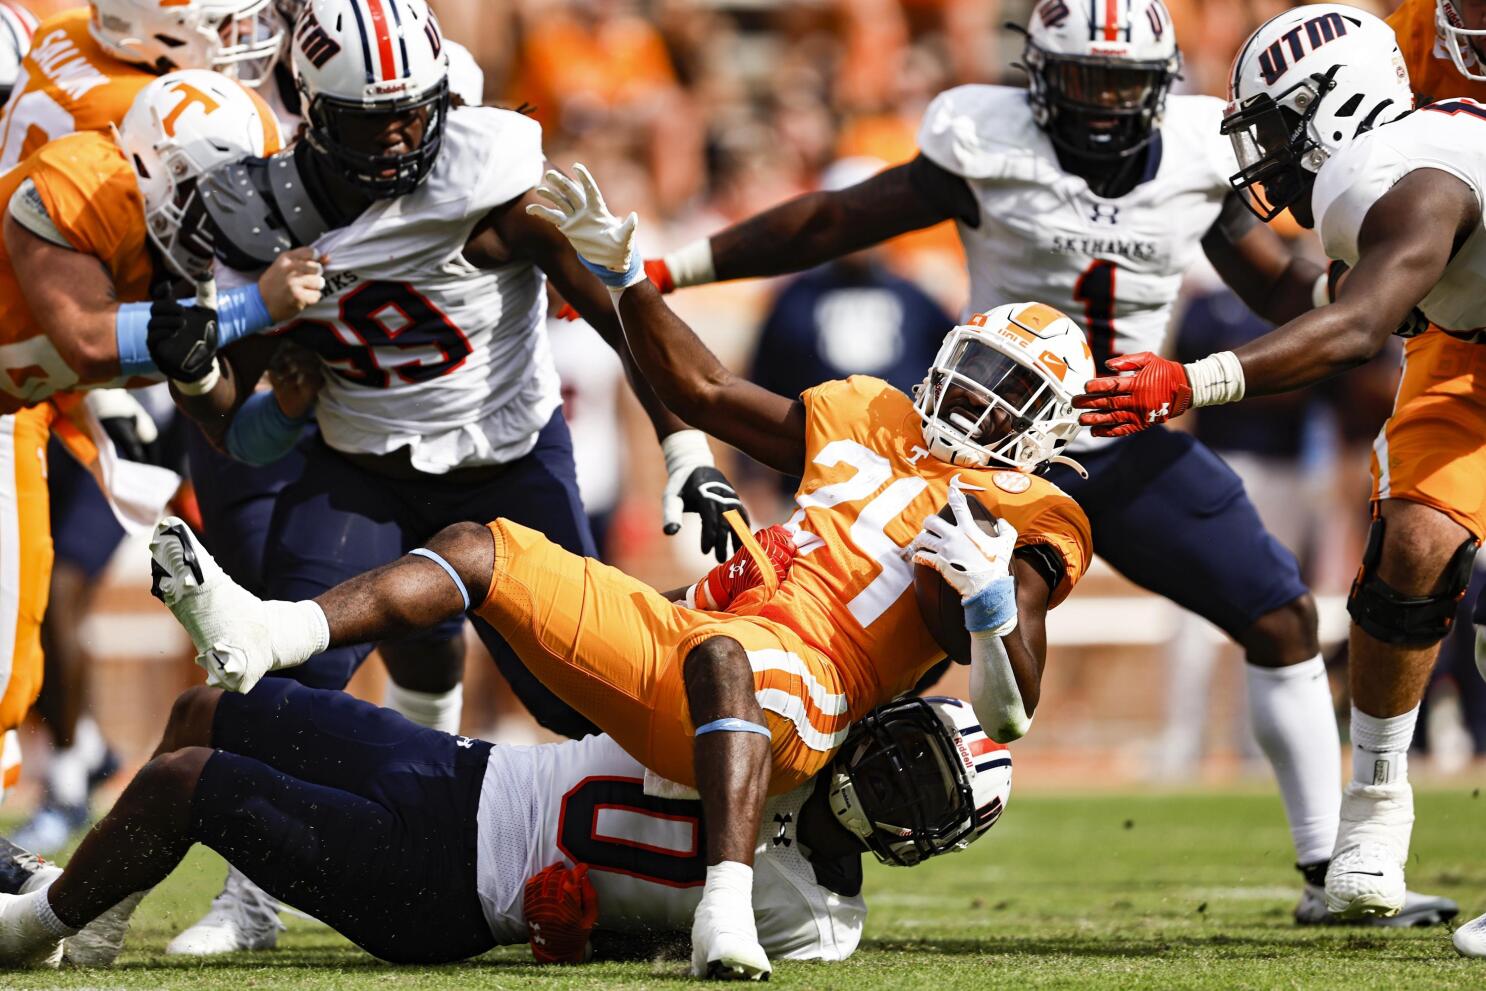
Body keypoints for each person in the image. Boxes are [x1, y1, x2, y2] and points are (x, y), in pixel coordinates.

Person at [148, 162, 1096, 976]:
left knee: (728, 652)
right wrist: (625, 280)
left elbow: (1011, 712)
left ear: (1050, 428)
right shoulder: (872, 412)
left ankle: (724, 908)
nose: (980, 396)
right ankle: (272, 630)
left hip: (806, 688)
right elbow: (703, 389)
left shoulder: (1030, 514)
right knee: (486, 547)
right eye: (977, 366)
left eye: (1014, 391)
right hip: (695, 637)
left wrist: (985, 604)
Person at [621, 0, 1451, 926]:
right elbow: (831, 223)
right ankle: (756, 833)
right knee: (871, 649)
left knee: (1284, 619)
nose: (1102, 106)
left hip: (1127, 442)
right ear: (1039, 76)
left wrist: (1371, 288)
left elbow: (1269, 280)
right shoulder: (985, 140)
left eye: (1123, 85)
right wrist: (679, 267)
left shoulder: (1193, 154)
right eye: (1084, 81)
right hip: (988, 459)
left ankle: (1323, 864)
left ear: (1161, 87)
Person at [156, 0, 747, 955]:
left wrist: (687, 449)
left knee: (577, 693)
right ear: (309, 112)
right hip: (362, 471)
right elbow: (243, 434)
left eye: (412, 113)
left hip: (509, 468)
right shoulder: (263, 216)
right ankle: (250, 897)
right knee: (284, 683)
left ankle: (688, 865)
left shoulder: (491, 183)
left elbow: (626, 322)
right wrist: (198, 372)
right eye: (368, 119)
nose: (397, 139)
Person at [1068, 2, 1484, 942]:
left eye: (1277, 127)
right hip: (1475, 354)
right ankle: (1373, 822)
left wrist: (1190, 378)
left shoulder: (1413, 175)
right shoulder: (1398, 170)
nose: (1266, 157)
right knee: (1415, 542)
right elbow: (1333, 298)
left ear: (1335, 106)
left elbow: (1357, 328)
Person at [0, 683, 1008, 971]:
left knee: (186, 780)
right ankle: (95, 920)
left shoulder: (821, 926)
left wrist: (584, 942)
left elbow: (683, 941)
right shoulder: (770, 721)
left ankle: (36, 921)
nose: (897, 788)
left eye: (925, 796)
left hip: (441, 883)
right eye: (906, 756)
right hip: (461, 770)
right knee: (211, 708)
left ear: (933, 839)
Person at [0, 68, 314, 820]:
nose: (236, 217)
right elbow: (84, 334)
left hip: (19, 409)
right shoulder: (76, 182)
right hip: (22, 400)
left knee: (12, 655)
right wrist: (250, 305)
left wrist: (280, 403)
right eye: (220, 193)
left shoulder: (184, 247)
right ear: (160, 171)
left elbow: (216, 415)